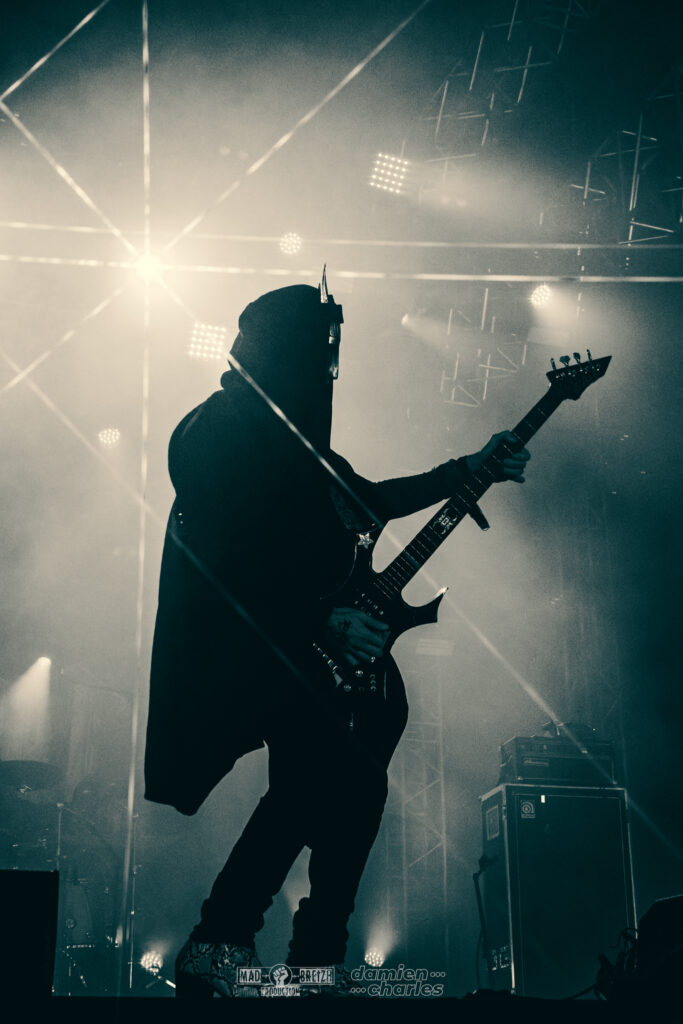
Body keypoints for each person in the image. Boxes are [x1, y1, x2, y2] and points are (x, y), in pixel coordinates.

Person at [143, 280, 530, 998]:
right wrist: (317, 622)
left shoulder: (295, 440)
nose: (331, 367)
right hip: (264, 652)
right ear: (285, 349)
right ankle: (222, 943)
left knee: (354, 787)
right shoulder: (216, 430)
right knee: (308, 786)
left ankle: (309, 958)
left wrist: (467, 470)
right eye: (321, 350)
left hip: (314, 652)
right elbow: (225, 561)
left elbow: (367, 500)